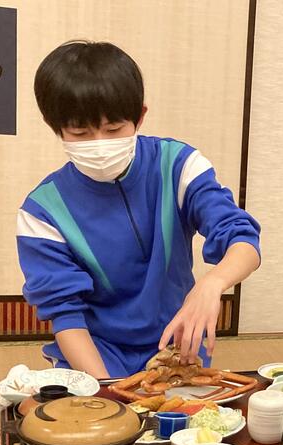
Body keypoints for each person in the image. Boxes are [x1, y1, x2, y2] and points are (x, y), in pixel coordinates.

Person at [16, 41, 261, 379]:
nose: (99, 144)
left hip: (177, 342)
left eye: (113, 130)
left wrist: (213, 283)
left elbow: (243, 241)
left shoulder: (178, 166)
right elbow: (66, 315)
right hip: (96, 350)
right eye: (80, 132)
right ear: (54, 126)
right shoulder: (41, 212)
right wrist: (106, 389)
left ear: (140, 116)